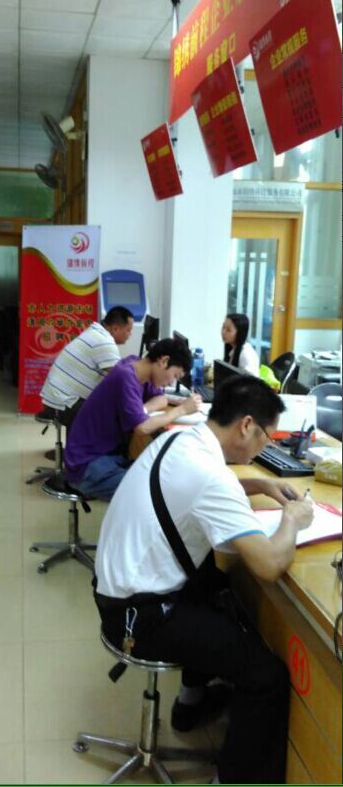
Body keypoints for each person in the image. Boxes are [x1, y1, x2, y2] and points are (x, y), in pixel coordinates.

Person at [94, 375, 313, 785]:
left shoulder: (184, 439)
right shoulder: (211, 475)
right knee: (266, 676)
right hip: (139, 617)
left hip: (117, 591)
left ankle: (191, 702)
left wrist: (260, 483)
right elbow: (268, 565)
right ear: (246, 425)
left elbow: (198, 489)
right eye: (268, 437)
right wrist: (292, 521)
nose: (266, 447)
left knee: (213, 581)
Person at [64, 338, 201, 500]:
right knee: (162, 491)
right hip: (88, 466)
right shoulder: (126, 376)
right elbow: (142, 427)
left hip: (106, 456)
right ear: (164, 361)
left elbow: (162, 399)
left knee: (162, 475)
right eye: (175, 375)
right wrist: (182, 410)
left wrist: (141, 410)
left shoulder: (137, 366)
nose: (172, 382)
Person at [40, 306, 134, 428]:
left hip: (56, 399)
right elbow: (121, 378)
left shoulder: (95, 332)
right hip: (62, 404)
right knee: (112, 418)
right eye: (128, 330)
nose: (130, 334)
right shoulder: (104, 341)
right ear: (115, 329)